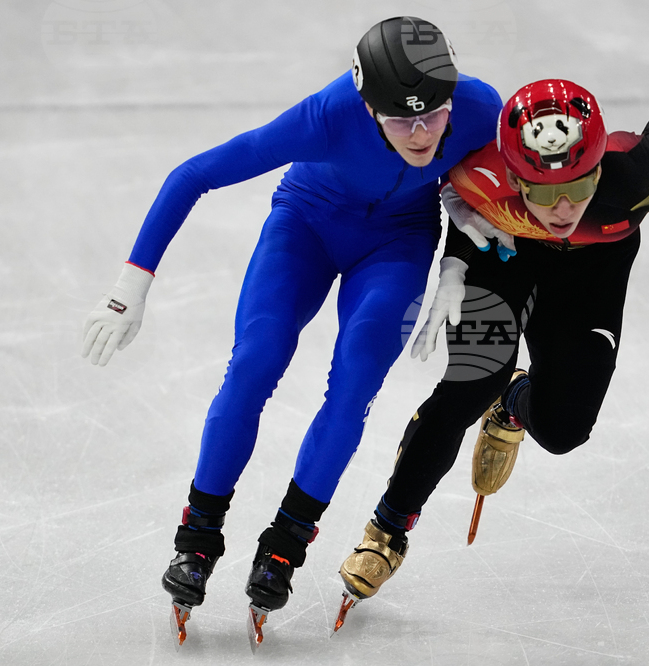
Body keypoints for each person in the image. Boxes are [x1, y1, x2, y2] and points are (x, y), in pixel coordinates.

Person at [79, 16, 502, 642]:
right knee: (255, 364)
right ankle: (197, 535)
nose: (420, 134)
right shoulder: (327, 117)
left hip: (398, 243)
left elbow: (512, 186)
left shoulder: (479, 106)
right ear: (366, 106)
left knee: (355, 385)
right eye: (399, 120)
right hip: (306, 224)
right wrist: (128, 288)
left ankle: (285, 541)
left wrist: (457, 260)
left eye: (434, 116)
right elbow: (193, 174)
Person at [335, 79, 649, 617]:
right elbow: (457, 199)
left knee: (564, 431)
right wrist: (454, 264)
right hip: (506, 258)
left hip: (590, 278)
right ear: (514, 175)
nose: (562, 207)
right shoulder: (483, 174)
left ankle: (515, 398)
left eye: (578, 184)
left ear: (598, 168)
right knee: (471, 384)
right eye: (542, 193)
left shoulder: (638, 176)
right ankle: (388, 526)